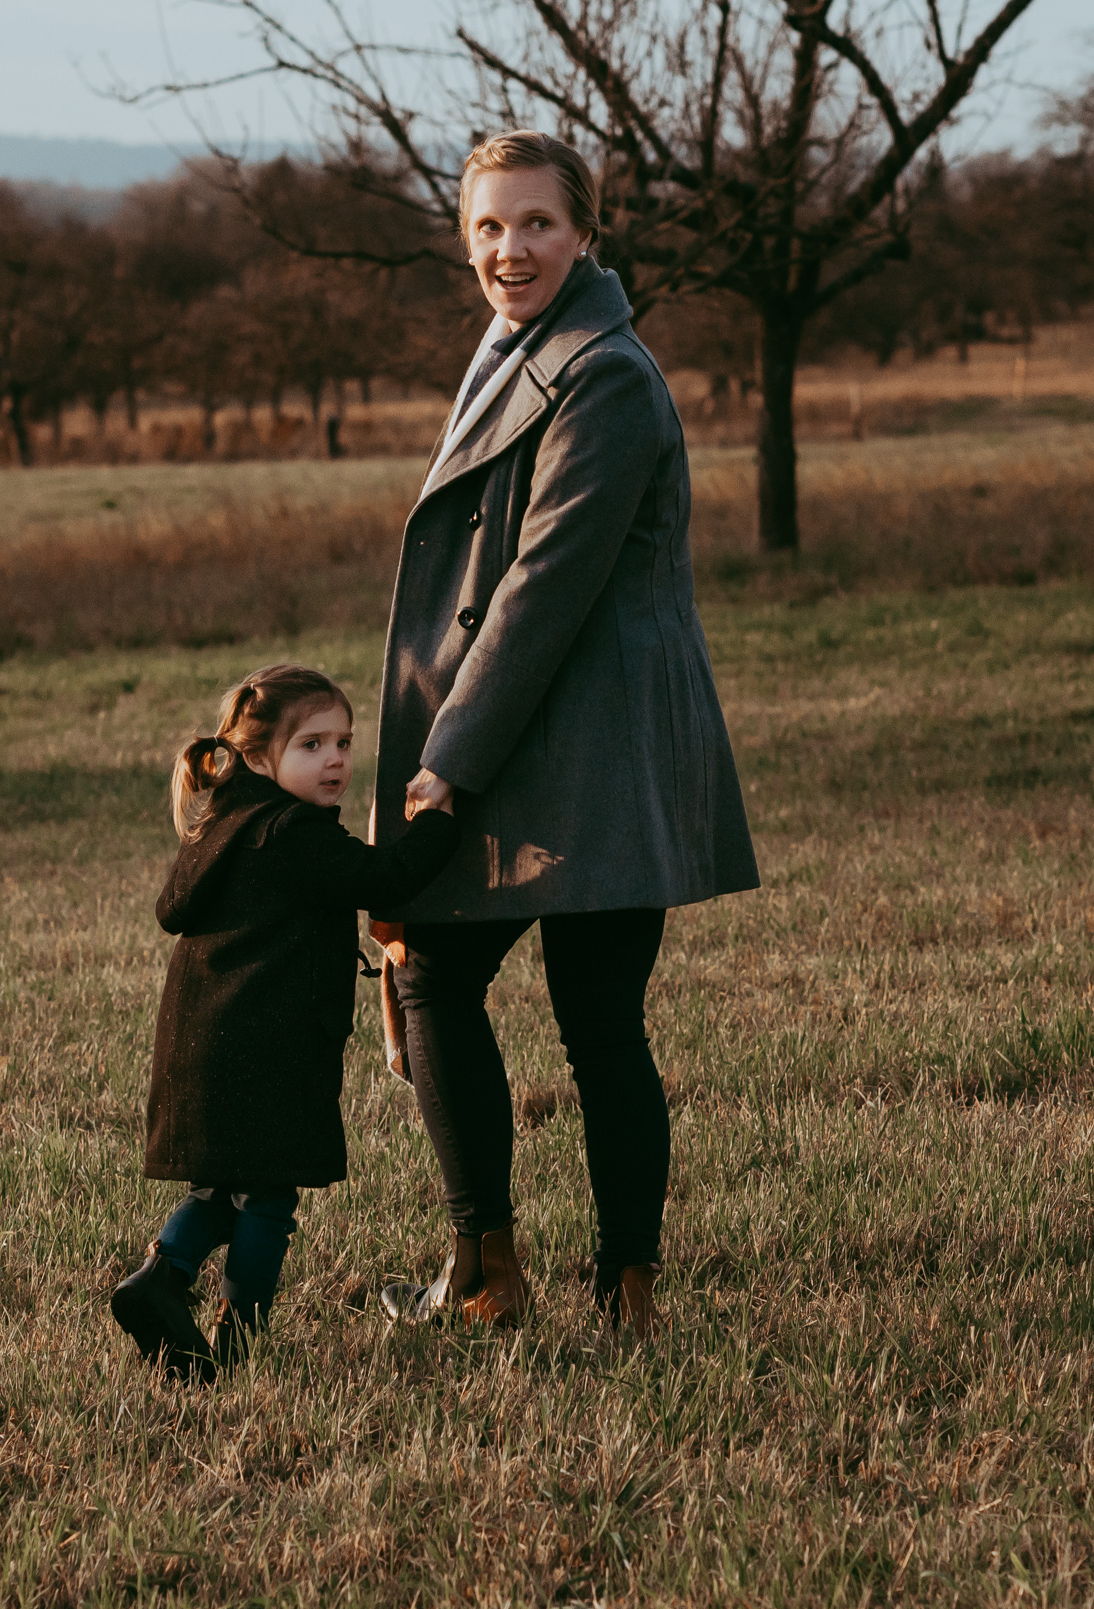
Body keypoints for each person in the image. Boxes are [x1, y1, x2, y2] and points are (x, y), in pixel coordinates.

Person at [373, 129, 759, 1339]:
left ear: (586, 232)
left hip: (587, 747)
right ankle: (493, 1268)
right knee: (444, 979)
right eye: (487, 227)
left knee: (577, 1016)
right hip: (531, 732)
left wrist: (444, 767)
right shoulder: (512, 348)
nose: (509, 249)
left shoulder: (603, 372)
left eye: (536, 224)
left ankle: (616, 1290)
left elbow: (541, 589)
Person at [111, 663, 458, 1382]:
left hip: (201, 1043)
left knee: (220, 1187)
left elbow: (172, 909)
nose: (334, 759)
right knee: (267, 1194)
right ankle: (238, 1339)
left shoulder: (219, 823)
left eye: (342, 742)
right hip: (266, 1049)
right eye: (311, 744)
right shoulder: (294, 831)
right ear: (259, 757)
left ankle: (162, 1276)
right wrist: (437, 823)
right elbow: (384, 880)